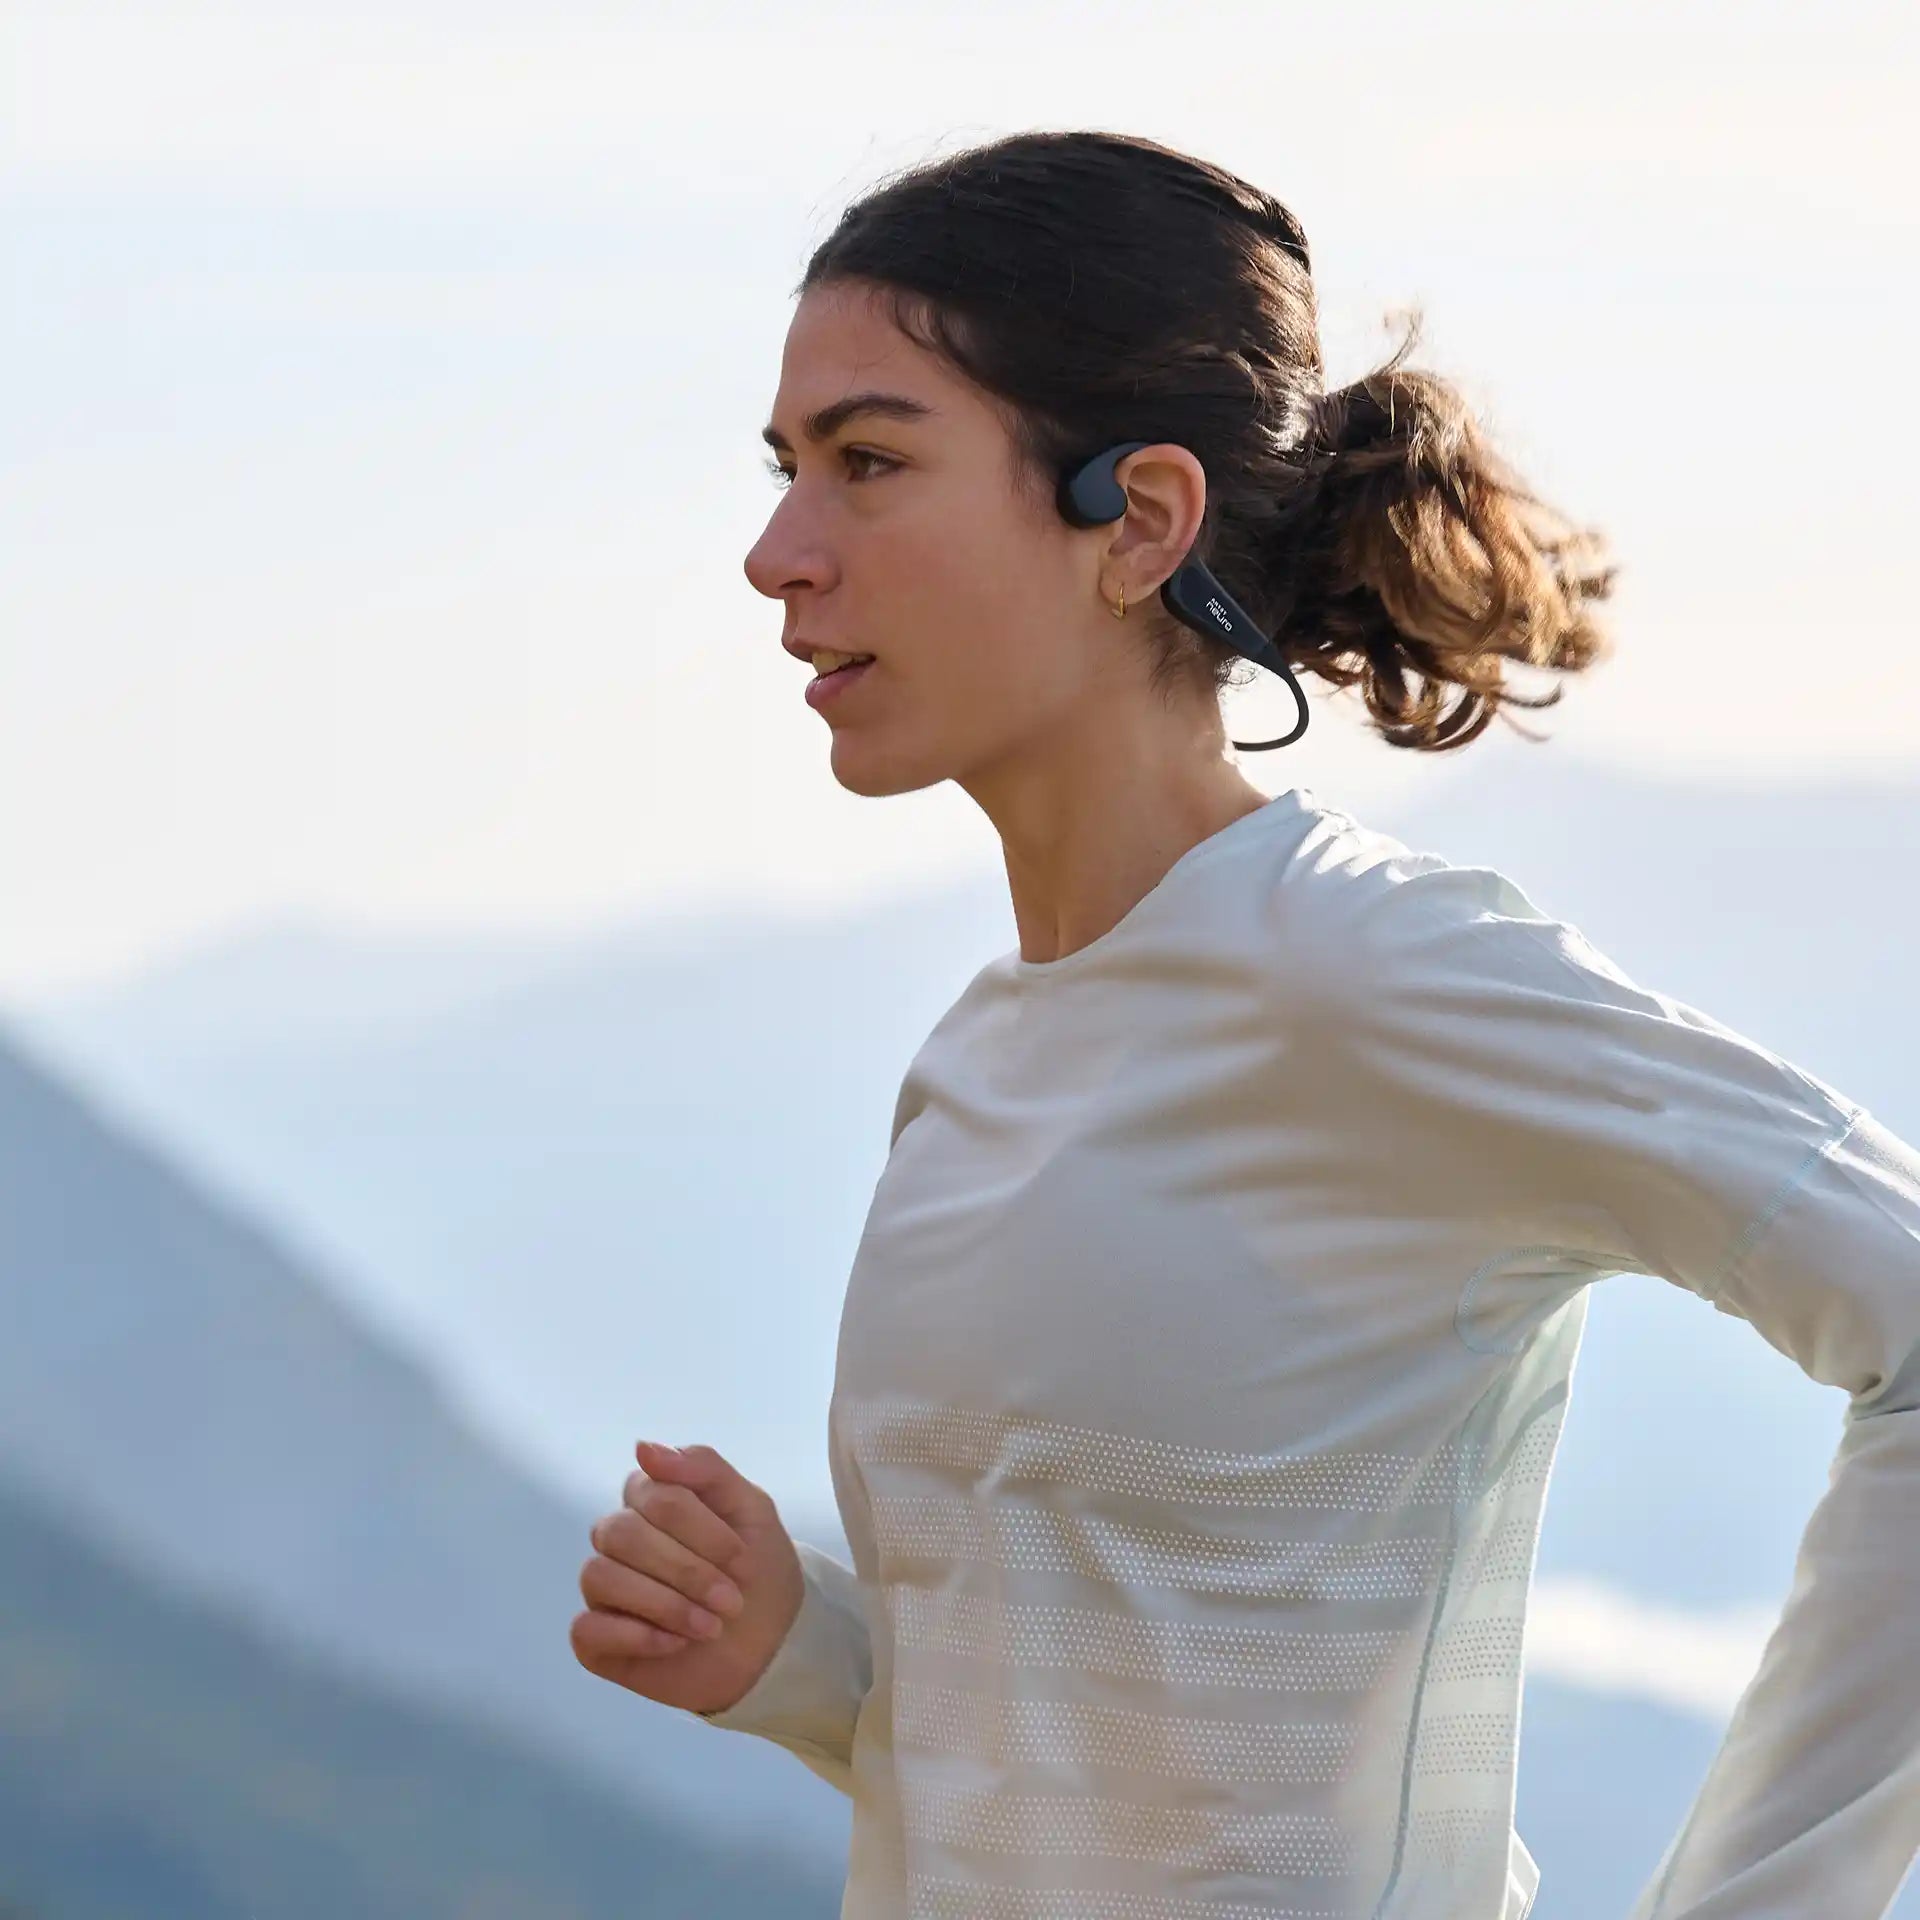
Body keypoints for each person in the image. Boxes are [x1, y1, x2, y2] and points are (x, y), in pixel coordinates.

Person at [569, 130, 1920, 1918]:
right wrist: (801, 1661)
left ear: (1138, 519)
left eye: (867, 462)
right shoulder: (979, 1066)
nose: (775, 554)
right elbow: (1113, 1762)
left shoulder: (1370, 973)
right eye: (784, 469)